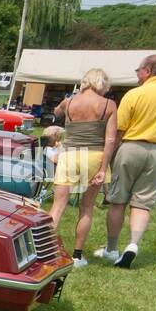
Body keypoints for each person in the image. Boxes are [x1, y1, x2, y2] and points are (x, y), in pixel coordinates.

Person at [95, 54, 156, 269]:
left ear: (148, 70)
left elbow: (119, 129)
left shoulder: (135, 94)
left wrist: (108, 156)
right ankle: (133, 245)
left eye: (138, 70)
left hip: (131, 147)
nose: (137, 74)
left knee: (118, 199)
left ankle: (111, 249)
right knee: (142, 203)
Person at [50, 68, 118, 267]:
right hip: (95, 156)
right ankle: (77, 256)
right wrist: (104, 168)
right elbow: (111, 139)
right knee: (87, 207)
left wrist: (64, 105)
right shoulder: (108, 105)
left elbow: (56, 112)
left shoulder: (70, 101)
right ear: (101, 83)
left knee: (57, 206)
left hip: (70, 155)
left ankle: (43, 252)